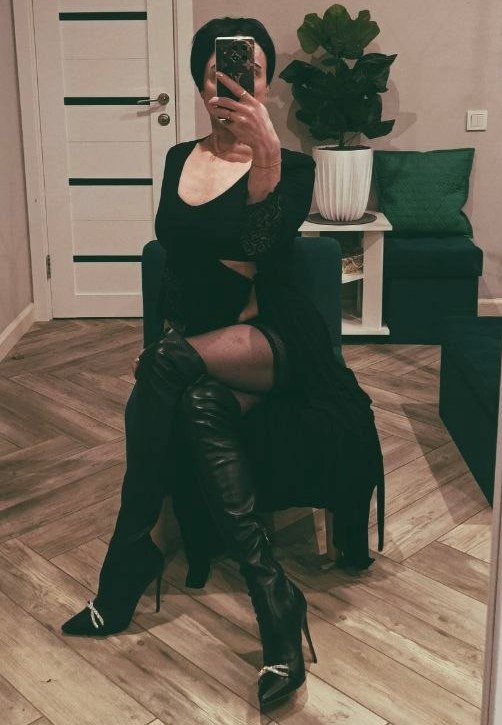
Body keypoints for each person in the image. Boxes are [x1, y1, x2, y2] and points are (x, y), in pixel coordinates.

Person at [61, 16, 385, 711]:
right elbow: (179, 255)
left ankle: (127, 564)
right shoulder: (179, 159)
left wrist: (263, 163)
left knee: (164, 365)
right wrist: (217, 275)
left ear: (264, 84)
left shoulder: (294, 166)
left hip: (276, 338)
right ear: (199, 82)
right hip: (203, 341)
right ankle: (276, 602)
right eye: (216, 72)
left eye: (246, 72)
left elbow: (257, 256)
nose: (229, 84)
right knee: (194, 395)